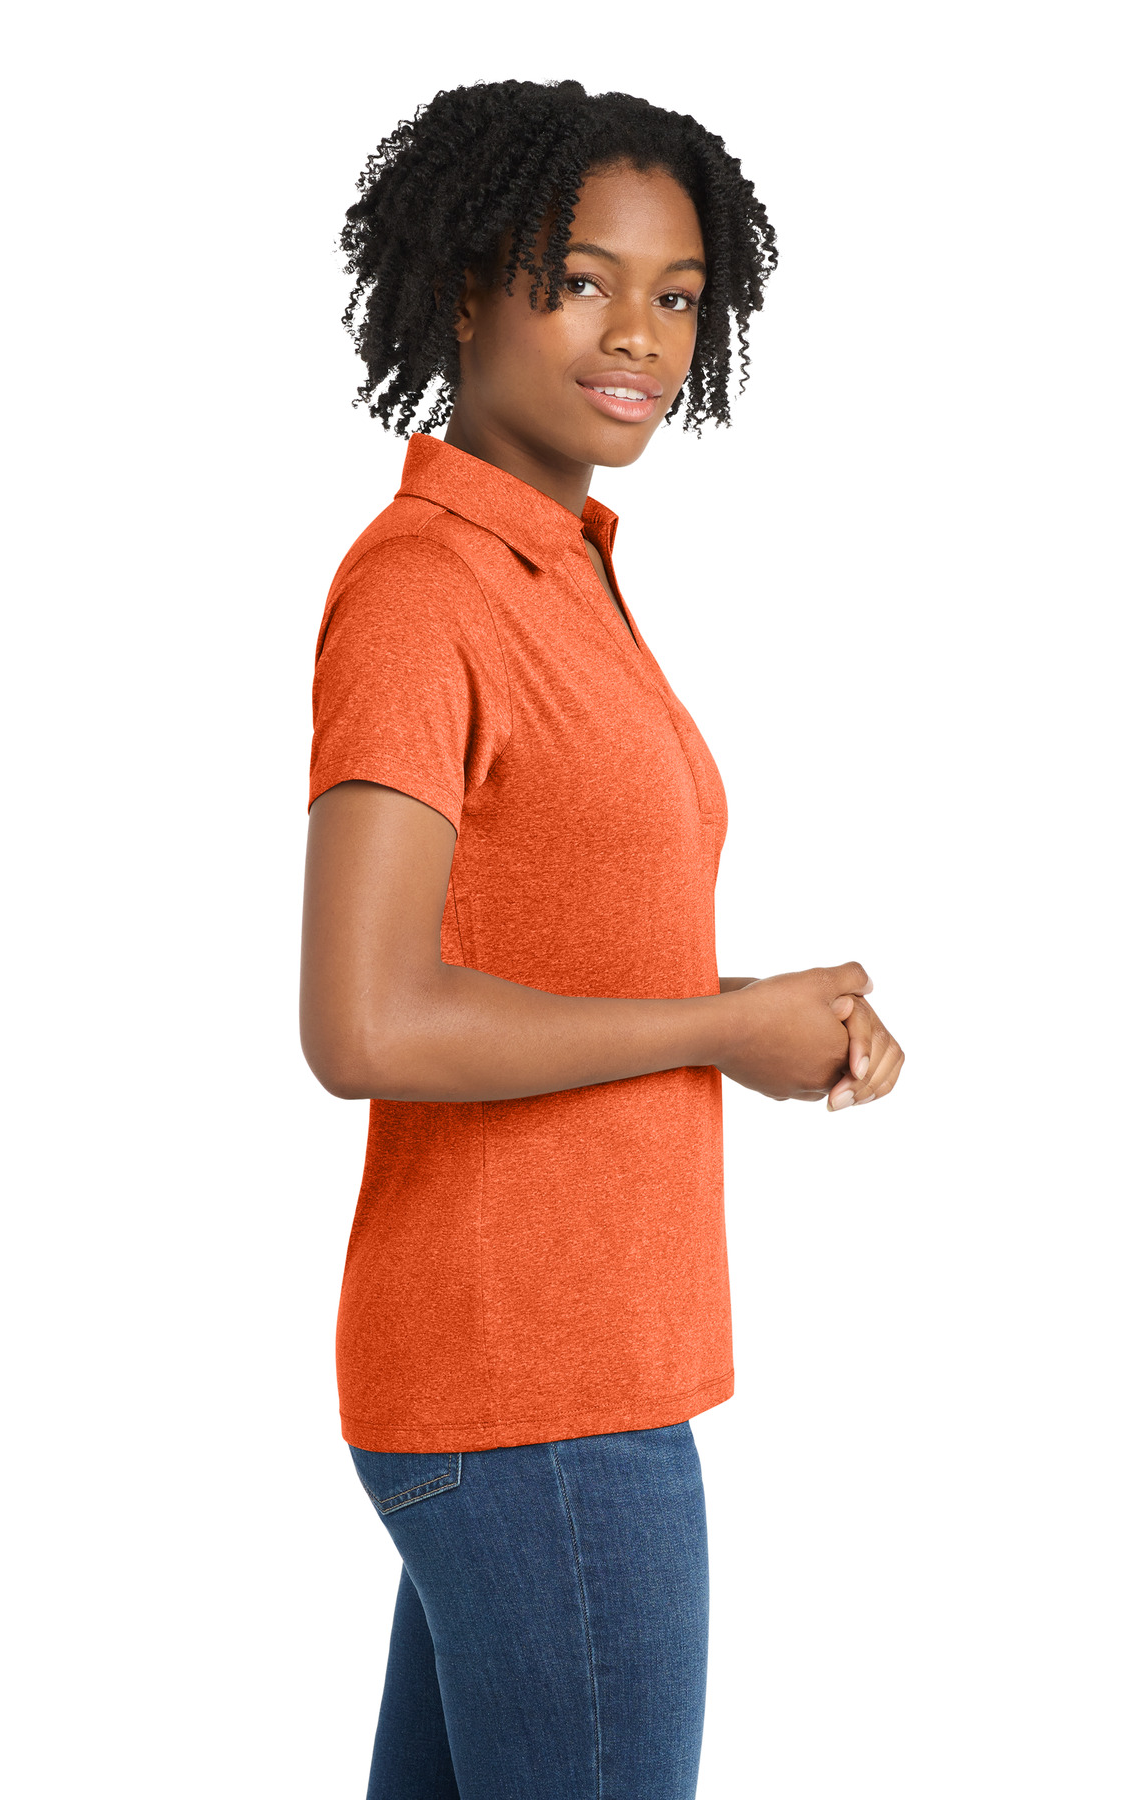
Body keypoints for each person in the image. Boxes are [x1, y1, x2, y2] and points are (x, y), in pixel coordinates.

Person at [300, 77, 904, 1800]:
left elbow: (534, 955)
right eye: (580, 280)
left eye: (678, 295)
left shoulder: (560, 568)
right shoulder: (426, 589)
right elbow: (364, 1021)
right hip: (537, 1390)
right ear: (462, 288)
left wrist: (751, 1014)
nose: (638, 334)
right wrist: (710, 1030)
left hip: (558, 1376)